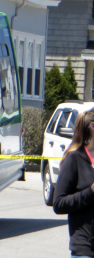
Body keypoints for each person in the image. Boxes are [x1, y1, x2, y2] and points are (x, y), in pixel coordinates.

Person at [54, 109, 94, 258]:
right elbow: (58, 203)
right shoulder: (74, 159)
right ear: (92, 126)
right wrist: (90, 192)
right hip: (85, 249)